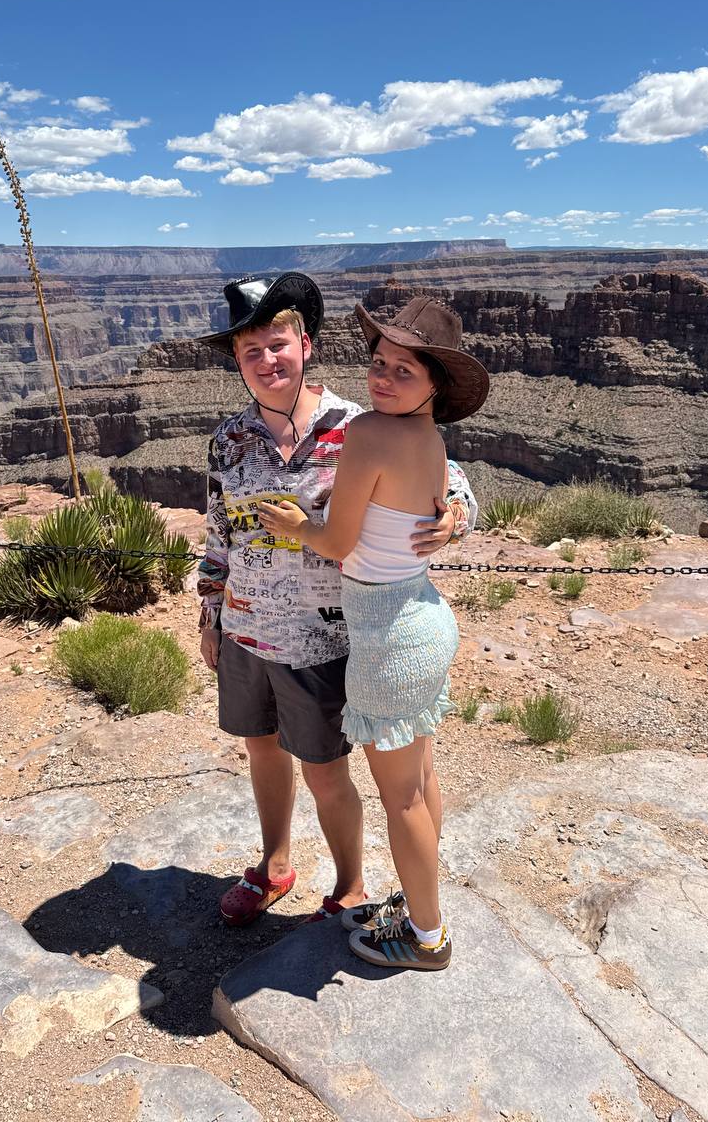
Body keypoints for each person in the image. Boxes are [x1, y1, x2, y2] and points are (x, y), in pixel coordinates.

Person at [195, 273, 479, 929]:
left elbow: (450, 477)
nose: (267, 361)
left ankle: (349, 886)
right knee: (261, 751)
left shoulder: (359, 424)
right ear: (237, 360)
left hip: (327, 640)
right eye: (251, 351)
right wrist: (210, 614)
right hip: (246, 629)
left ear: (306, 344)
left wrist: (457, 514)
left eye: (277, 344)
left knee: (325, 773)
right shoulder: (228, 441)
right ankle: (274, 865)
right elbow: (218, 534)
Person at [259, 295, 489, 970]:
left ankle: (427, 937)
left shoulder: (368, 433)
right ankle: (420, 903)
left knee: (402, 796)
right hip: (423, 619)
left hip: (389, 639)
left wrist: (297, 527)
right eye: (379, 362)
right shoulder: (428, 437)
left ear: (435, 385)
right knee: (419, 778)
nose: (383, 378)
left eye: (404, 370)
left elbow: (337, 541)